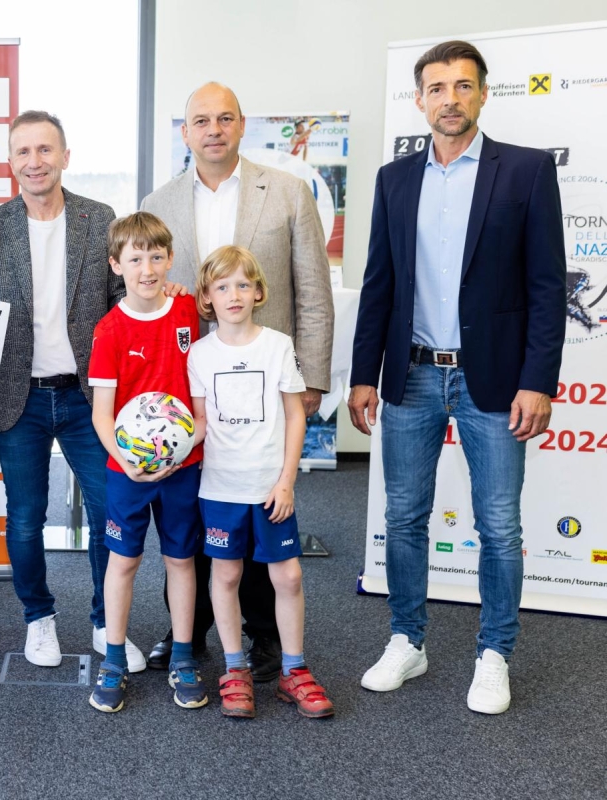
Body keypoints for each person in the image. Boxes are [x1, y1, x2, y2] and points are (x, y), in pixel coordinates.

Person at [349, 40, 564, 715]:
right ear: (419, 99)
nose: (450, 99)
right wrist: (362, 375)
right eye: (437, 87)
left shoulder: (525, 172)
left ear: (482, 94)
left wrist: (539, 379)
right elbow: (379, 284)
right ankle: (408, 641)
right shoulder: (395, 179)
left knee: (498, 524)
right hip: (410, 376)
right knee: (405, 517)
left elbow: (546, 285)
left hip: (494, 381)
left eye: (462, 86)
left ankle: (494, 653)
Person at [141, 82, 334, 678]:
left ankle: (266, 639)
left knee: (259, 505)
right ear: (185, 132)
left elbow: (313, 293)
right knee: (194, 510)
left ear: (242, 125)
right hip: (189, 384)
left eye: (225, 118)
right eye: (201, 120)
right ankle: (188, 633)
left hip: (267, 382)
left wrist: (314, 378)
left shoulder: (287, 193)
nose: (214, 129)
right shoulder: (160, 201)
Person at [0, 111, 148, 673]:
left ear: (65, 156)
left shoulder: (100, 219)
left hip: (88, 397)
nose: (35, 161)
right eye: (23, 151)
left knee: (106, 508)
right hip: (20, 396)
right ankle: (37, 619)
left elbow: (124, 300)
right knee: (24, 517)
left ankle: (103, 622)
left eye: (46, 149)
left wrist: (158, 289)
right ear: (11, 161)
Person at [189, 244, 333, 719]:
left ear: (258, 292)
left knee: (287, 576)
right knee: (225, 575)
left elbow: (296, 417)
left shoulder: (277, 346)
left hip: (271, 487)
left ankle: (294, 670)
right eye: (223, 286)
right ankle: (234, 669)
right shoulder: (200, 354)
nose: (234, 295)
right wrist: (163, 447)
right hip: (221, 489)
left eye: (243, 285)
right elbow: (202, 422)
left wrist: (287, 481)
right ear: (208, 296)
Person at [86, 212, 209, 712]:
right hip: (128, 473)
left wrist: (187, 445)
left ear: (170, 259)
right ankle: (113, 659)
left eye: (156, 257)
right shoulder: (109, 330)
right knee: (125, 561)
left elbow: (201, 406)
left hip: (184, 467)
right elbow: (101, 415)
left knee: (181, 560)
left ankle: (183, 658)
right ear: (116, 265)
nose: (147, 268)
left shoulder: (185, 311)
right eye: (135, 259)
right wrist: (126, 460)